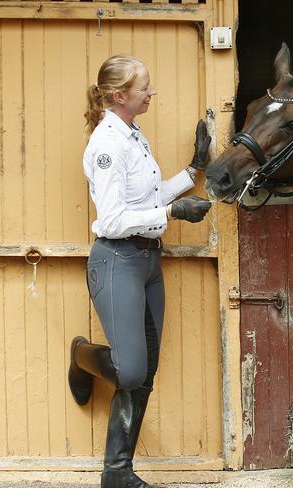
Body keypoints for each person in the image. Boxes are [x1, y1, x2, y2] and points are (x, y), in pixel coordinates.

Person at [68, 54, 212, 488]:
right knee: (130, 371)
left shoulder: (133, 134)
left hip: (148, 261)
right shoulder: (107, 144)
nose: (152, 94)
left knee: (144, 371)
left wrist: (194, 169)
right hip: (117, 261)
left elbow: (146, 201)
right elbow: (112, 220)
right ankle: (80, 355)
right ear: (119, 96)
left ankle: (117, 473)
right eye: (144, 88)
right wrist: (173, 212)